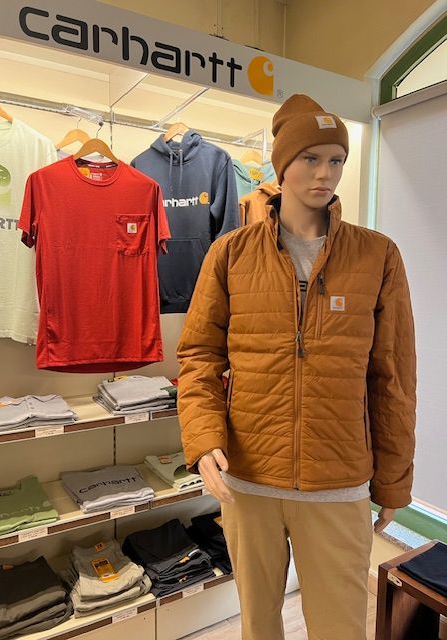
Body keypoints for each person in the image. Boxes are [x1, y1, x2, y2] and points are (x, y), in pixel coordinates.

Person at [176, 94, 416, 640]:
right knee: (259, 626)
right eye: (310, 158)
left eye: (336, 160)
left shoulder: (377, 255)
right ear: (281, 165)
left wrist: (394, 480)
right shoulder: (231, 254)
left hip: (339, 482)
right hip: (250, 481)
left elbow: (393, 377)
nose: (325, 173)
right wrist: (204, 437)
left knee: (340, 628)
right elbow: (199, 356)